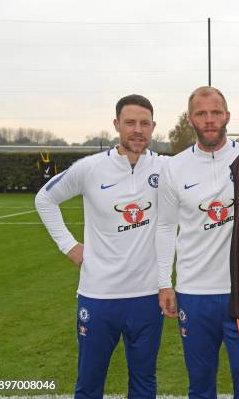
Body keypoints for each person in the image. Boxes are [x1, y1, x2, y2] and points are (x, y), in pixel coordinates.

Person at [35, 94, 166, 398]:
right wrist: (68, 245)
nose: (137, 129)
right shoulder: (90, 168)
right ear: (116, 124)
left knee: (144, 382)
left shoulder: (167, 168)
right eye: (130, 122)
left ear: (153, 127)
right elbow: (45, 198)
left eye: (144, 123)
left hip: (146, 297)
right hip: (98, 296)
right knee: (89, 383)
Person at [155, 86, 239, 399]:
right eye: (201, 113)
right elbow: (164, 227)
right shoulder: (174, 168)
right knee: (201, 384)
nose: (209, 119)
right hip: (194, 293)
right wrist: (165, 282)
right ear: (191, 119)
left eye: (216, 112)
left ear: (227, 116)